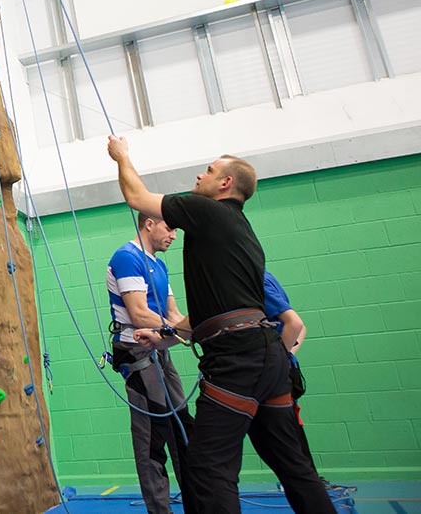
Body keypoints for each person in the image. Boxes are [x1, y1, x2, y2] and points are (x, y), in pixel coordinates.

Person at [106, 137, 336, 514]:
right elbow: (214, 311)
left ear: (226, 184)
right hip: (268, 357)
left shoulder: (205, 211)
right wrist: (167, 338)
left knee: (208, 470)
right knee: (294, 467)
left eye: (210, 171)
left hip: (235, 361)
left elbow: (136, 196)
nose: (201, 175)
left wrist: (122, 157)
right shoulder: (243, 236)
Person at [106, 213, 194, 514]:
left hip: (159, 347)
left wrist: (193, 331)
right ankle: (160, 510)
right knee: (153, 435)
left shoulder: (160, 265)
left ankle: (199, 500)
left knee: (182, 422)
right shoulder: (127, 258)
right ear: (149, 224)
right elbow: (139, 314)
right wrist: (181, 332)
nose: (173, 235)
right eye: (169, 228)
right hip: (137, 350)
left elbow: (173, 314)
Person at [263, 271, 330, 486]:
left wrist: (278, 360)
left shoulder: (258, 281)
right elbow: (299, 327)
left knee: (285, 427)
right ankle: (306, 479)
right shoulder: (267, 277)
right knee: (290, 425)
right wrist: (287, 355)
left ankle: (305, 480)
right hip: (283, 369)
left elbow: (296, 325)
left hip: (275, 374)